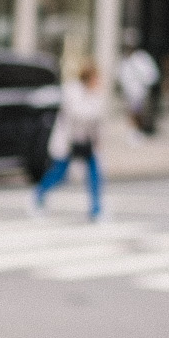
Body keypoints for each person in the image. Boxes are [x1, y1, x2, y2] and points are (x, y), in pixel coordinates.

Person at [35, 58, 106, 218]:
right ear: (88, 78)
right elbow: (78, 114)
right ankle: (39, 195)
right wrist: (94, 106)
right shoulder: (73, 91)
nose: (98, 81)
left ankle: (96, 209)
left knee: (95, 174)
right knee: (59, 173)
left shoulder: (95, 94)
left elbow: (98, 121)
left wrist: (98, 140)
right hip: (68, 142)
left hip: (87, 142)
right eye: (95, 78)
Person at [117, 31, 161, 135]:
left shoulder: (142, 58)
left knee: (139, 113)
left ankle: (139, 131)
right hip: (129, 93)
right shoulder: (124, 59)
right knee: (131, 113)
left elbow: (152, 75)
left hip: (141, 92)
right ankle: (133, 132)